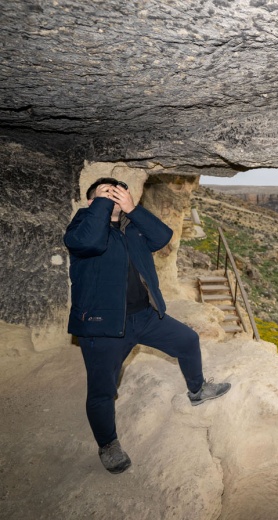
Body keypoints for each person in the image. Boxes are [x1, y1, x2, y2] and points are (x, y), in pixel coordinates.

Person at [64, 177, 231, 474]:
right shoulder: (81, 228)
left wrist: (133, 209)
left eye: (118, 193)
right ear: (92, 202)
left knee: (188, 340)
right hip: (103, 327)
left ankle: (197, 390)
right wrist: (102, 204)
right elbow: (89, 242)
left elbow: (163, 237)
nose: (113, 198)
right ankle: (108, 444)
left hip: (145, 316)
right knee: (103, 391)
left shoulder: (132, 227)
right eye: (105, 194)